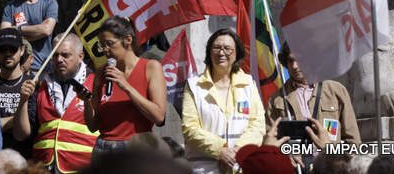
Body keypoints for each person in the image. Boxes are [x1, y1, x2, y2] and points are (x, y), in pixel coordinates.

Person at [182, 28, 265, 174]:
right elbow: (190, 128)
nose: (221, 53)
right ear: (209, 51)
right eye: (217, 47)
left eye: (227, 49)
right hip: (204, 169)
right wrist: (220, 151)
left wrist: (236, 154)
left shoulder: (248, 84)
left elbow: (257, 125)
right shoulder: (194, 86)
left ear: (237, 54)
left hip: (241, 166)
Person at [13, 32, 97, 173]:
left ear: (80, 56)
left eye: (65, 55)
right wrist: (23, 101)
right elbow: (21, 135)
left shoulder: (96, 83)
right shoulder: (39, 85)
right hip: (43, 167)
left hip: (83, 167)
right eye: (55, 55)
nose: (59, 60)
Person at [84, 17, 166, 158]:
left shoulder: (151, 67)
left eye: (109, 44)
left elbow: (158, 116)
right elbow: (93, 126)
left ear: (128, 40)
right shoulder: (102, 72)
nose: (105, 50)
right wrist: (87, 101)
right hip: (104, 150)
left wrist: (126, 86)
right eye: (102, 45)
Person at [266, 42, 360, 162]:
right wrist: (285, 156)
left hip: (329, 167)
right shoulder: (277, 99)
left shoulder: (336, 91)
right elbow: (269, 142)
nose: (294, 66)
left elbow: (353, 142)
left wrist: (334, 157)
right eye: (290, 60)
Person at [0, 28, 33, 157]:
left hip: (25, 161)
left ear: (21, 50)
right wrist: (17, 120)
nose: (8, 53)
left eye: (13, 49)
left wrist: (0, 122)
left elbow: (26, 130)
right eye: (3, 49)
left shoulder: (33, 85)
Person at [0, 0, 58, 73]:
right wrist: (36, 32)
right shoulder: (11, 6)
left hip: (44, 69)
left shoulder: (50, 3)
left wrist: (18, 30)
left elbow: (47, 30)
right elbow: (4, 33)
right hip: (18, 70)